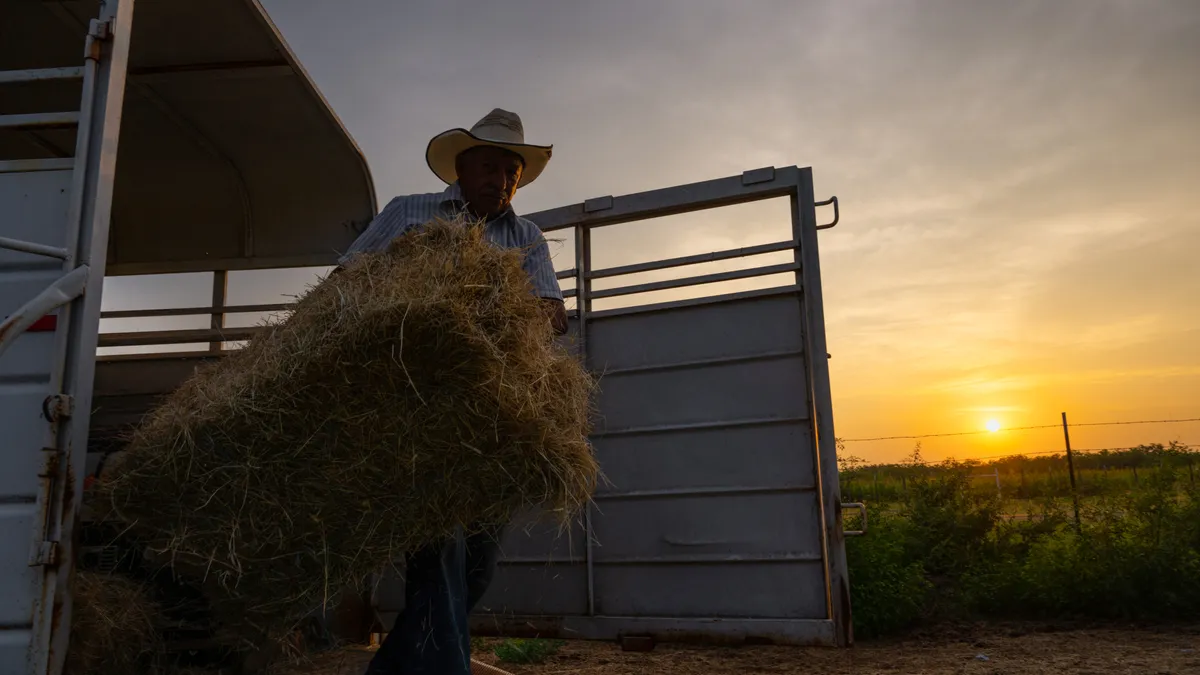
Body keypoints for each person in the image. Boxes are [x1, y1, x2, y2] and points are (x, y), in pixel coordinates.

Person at [336, 109, 567, 675]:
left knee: (478, 562)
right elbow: (345, 279)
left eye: (511, 172)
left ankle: (393, 668)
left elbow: (553, 314)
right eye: (489, 167)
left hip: (492, 414)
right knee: (440, 546)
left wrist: (509, 312)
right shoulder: (409, 213)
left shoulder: (526, 237)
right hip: (417, 404)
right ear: (460, 170)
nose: (501, 180)